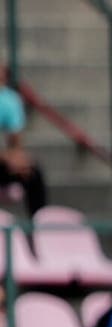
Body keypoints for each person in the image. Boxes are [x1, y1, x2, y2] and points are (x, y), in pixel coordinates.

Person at [0, 67, 47, 218]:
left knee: (31, 172)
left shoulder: (10, 100)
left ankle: (38, 227)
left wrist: (16, 159)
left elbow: (15, 142)